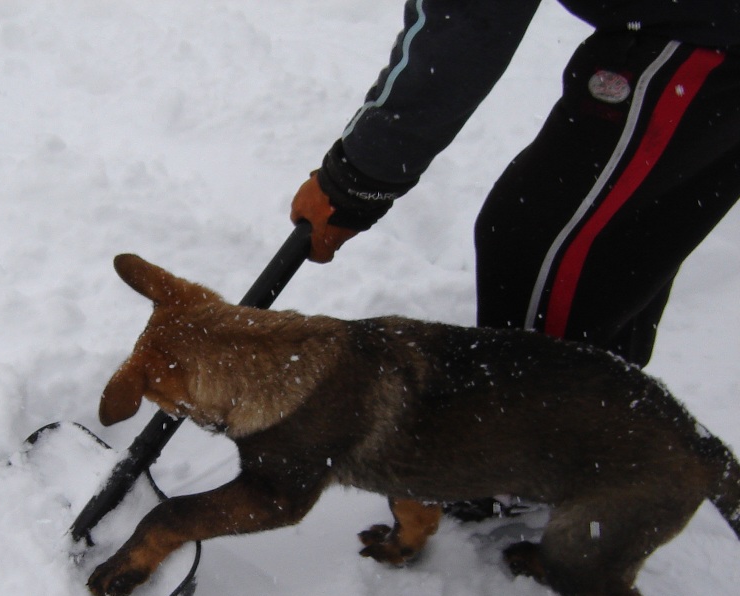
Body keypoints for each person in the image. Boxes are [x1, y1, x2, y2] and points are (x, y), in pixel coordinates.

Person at [291, 0, 740, 368]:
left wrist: (355, 181)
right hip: (699, 27)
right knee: (607, 248)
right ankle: (606, 425)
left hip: (701, 41)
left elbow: (464, 28)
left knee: (537, 254)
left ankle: (544, 431)